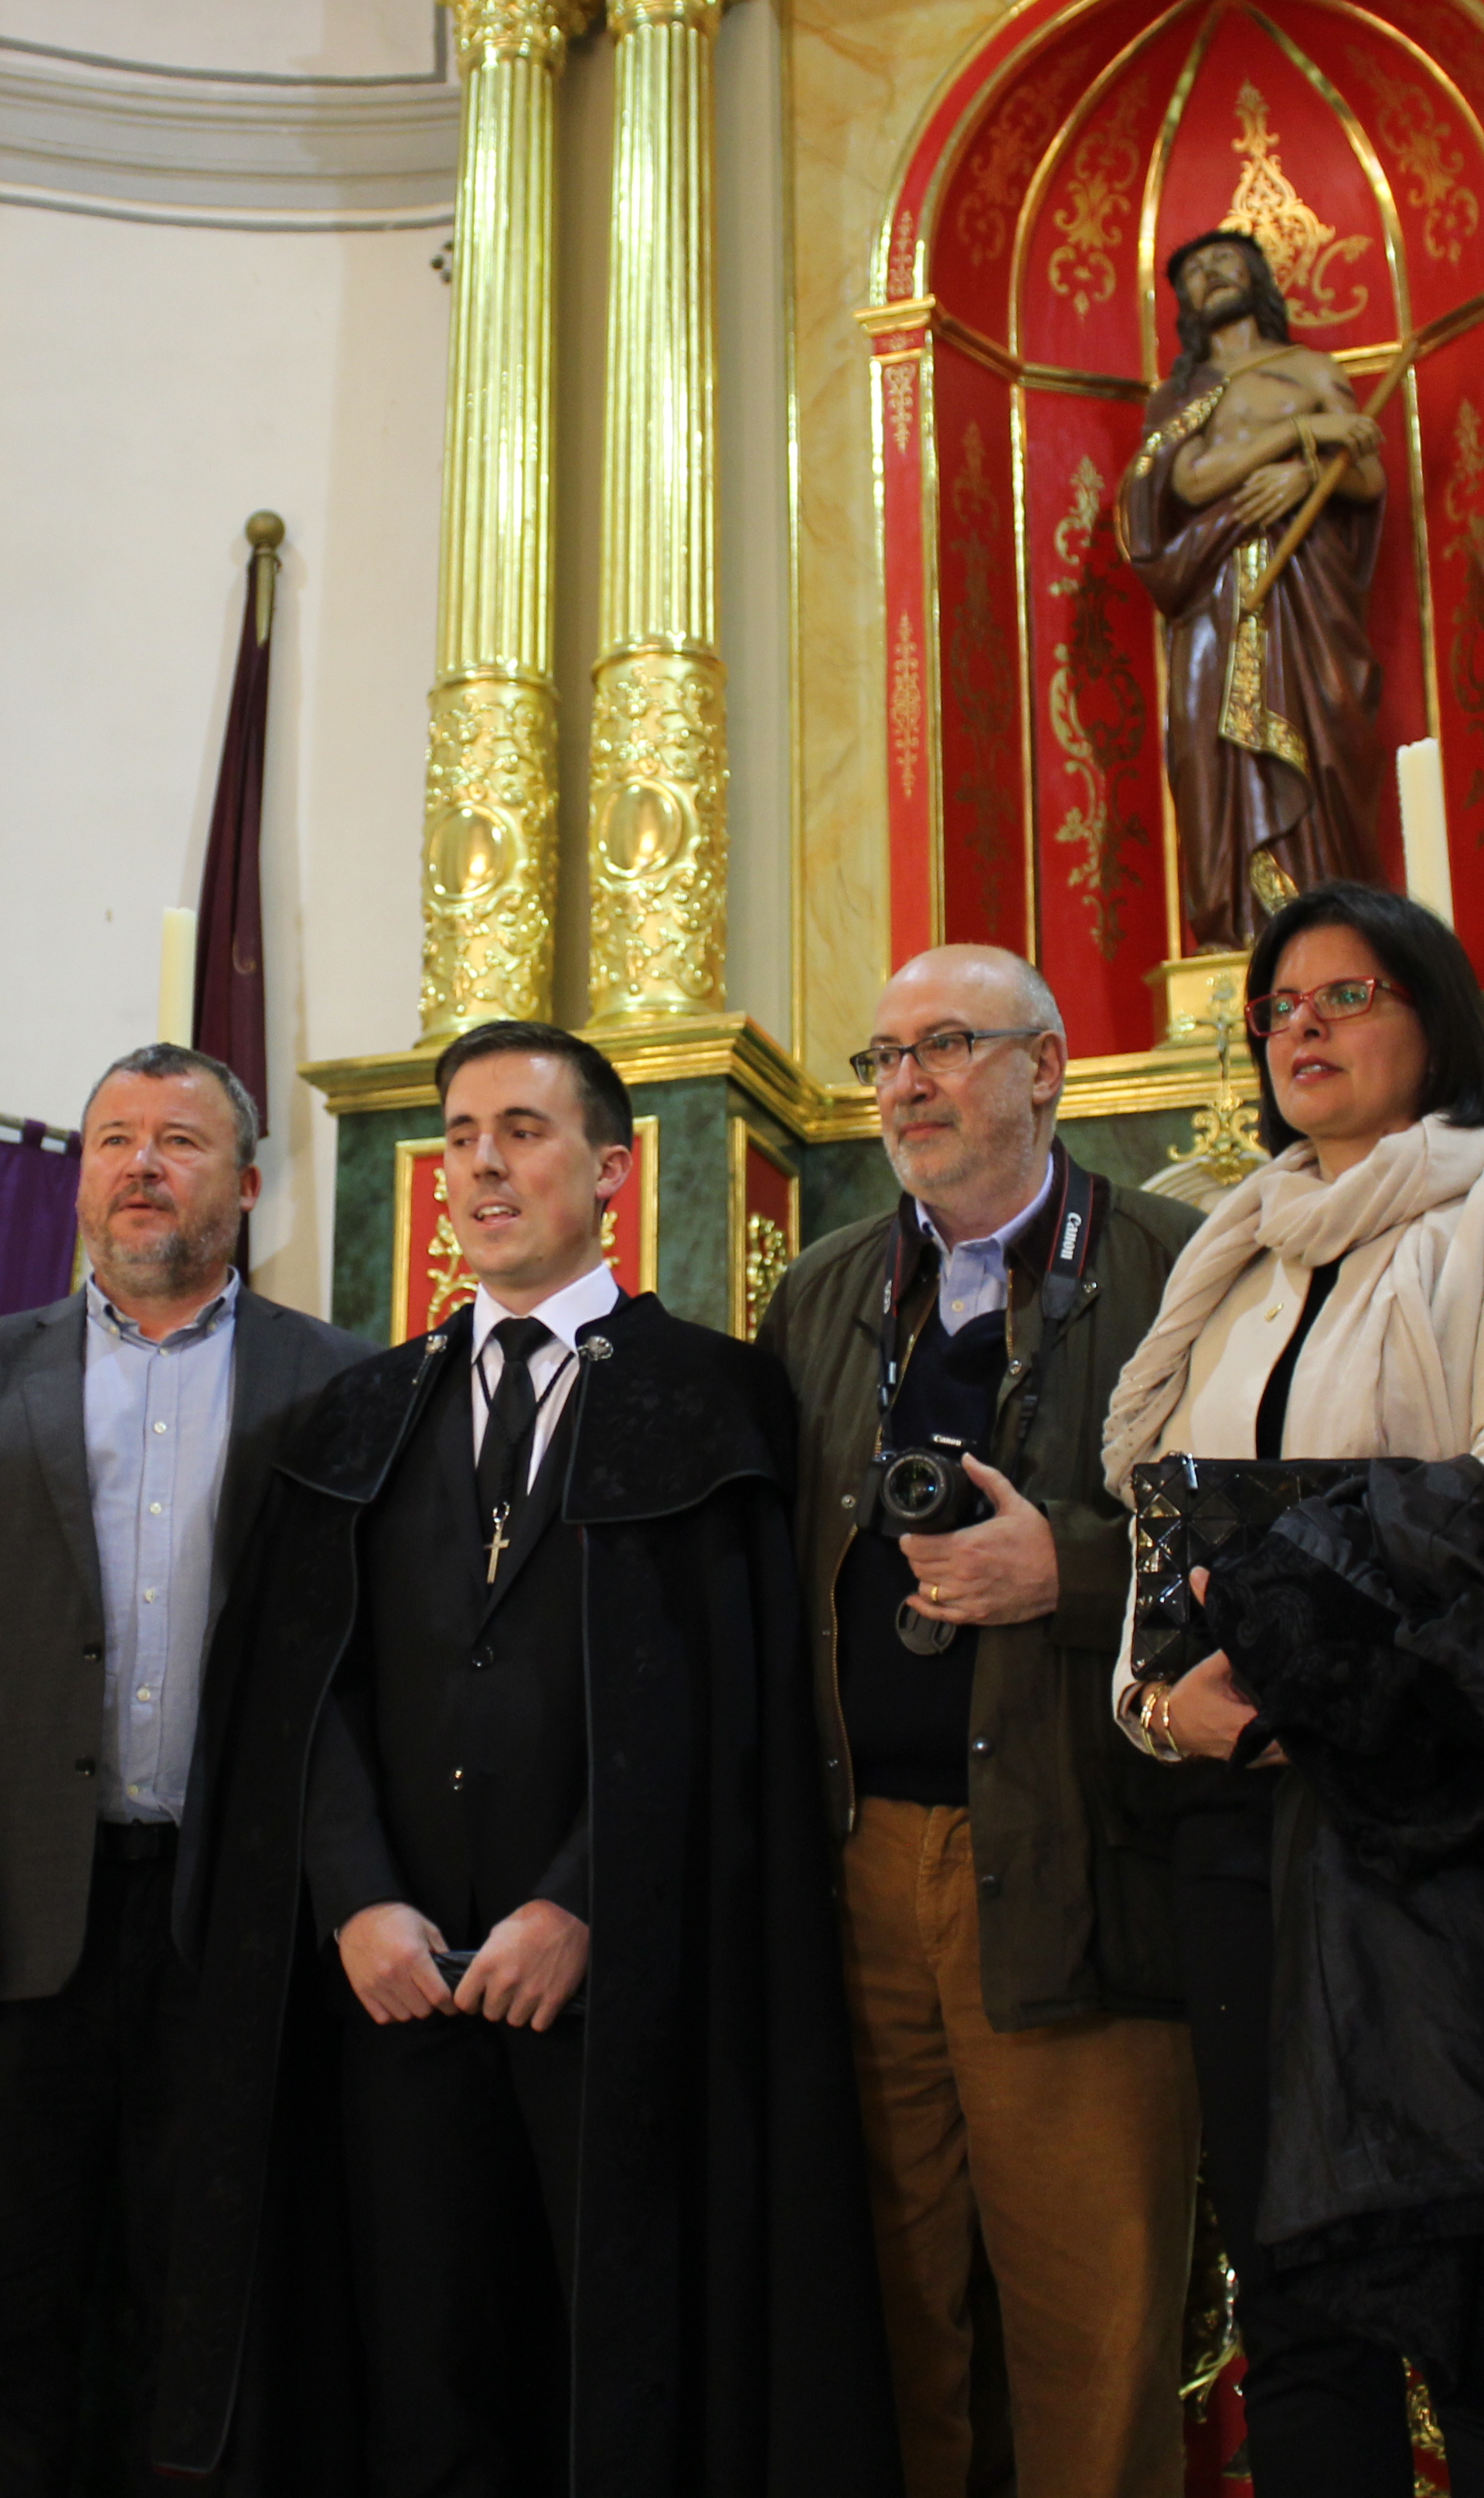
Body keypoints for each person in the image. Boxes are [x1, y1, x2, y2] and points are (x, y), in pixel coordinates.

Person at [157, 1020, 898, 2498]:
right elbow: (302, 1706)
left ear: (612, 1171)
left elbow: (728, 1713)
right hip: (397, 1985)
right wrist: (355, 1901)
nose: (482, 1162)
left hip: (622, 1989)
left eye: (525, 1130)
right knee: (418, 2369)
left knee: (616, 2374)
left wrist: (581, 1904)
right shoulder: (352, 1418)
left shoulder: (713, 1401)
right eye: (462, 1133)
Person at [1098, 884, 1484, 2498]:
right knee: (1295, 2293)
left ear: (1433, 1020)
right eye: (1281, 1008)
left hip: (1446, 1816)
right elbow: (1167, 1545)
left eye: (1345, 996)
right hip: (1246, 1822)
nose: (1303, 1029)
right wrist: (1166, 1710)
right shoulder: (1226, 1259)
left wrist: (1293, 1637)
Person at [0, 1045, 364, 2496]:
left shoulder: (337, 1381)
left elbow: (362, 1677)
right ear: (79, 1176)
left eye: (180, 1142)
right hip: (2, 1924)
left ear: (246, 1185)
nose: (142, 1165)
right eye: (115, 1139)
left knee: (199, 2306)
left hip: (232, 1923)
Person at [756, 947, 1205, 2498]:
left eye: (947, 1045)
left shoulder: (1170, 1264)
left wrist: (1067, 1572)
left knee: (1094, 2330)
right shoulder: (819, 1292)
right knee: (886, 2318)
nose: (908, 1085)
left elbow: (1264, 1552)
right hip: (856, 1872)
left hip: (1078, 1865)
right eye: (885, 1058)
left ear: (1048, 1070)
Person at [1117, 229, 1390, 946]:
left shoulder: (1309, 367)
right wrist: (1302, 433)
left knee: (1323, 731)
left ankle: (1334, 929)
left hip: (1305, 589)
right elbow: (1192, 479)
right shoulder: (1180, 395)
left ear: (1257, 279)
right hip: (1213, 598)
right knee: (1211, 763)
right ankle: (1237, 934)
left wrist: (1307, 475)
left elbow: (1364, 475)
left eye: (1223, 264)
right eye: (1194, 273)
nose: (1209, 278)